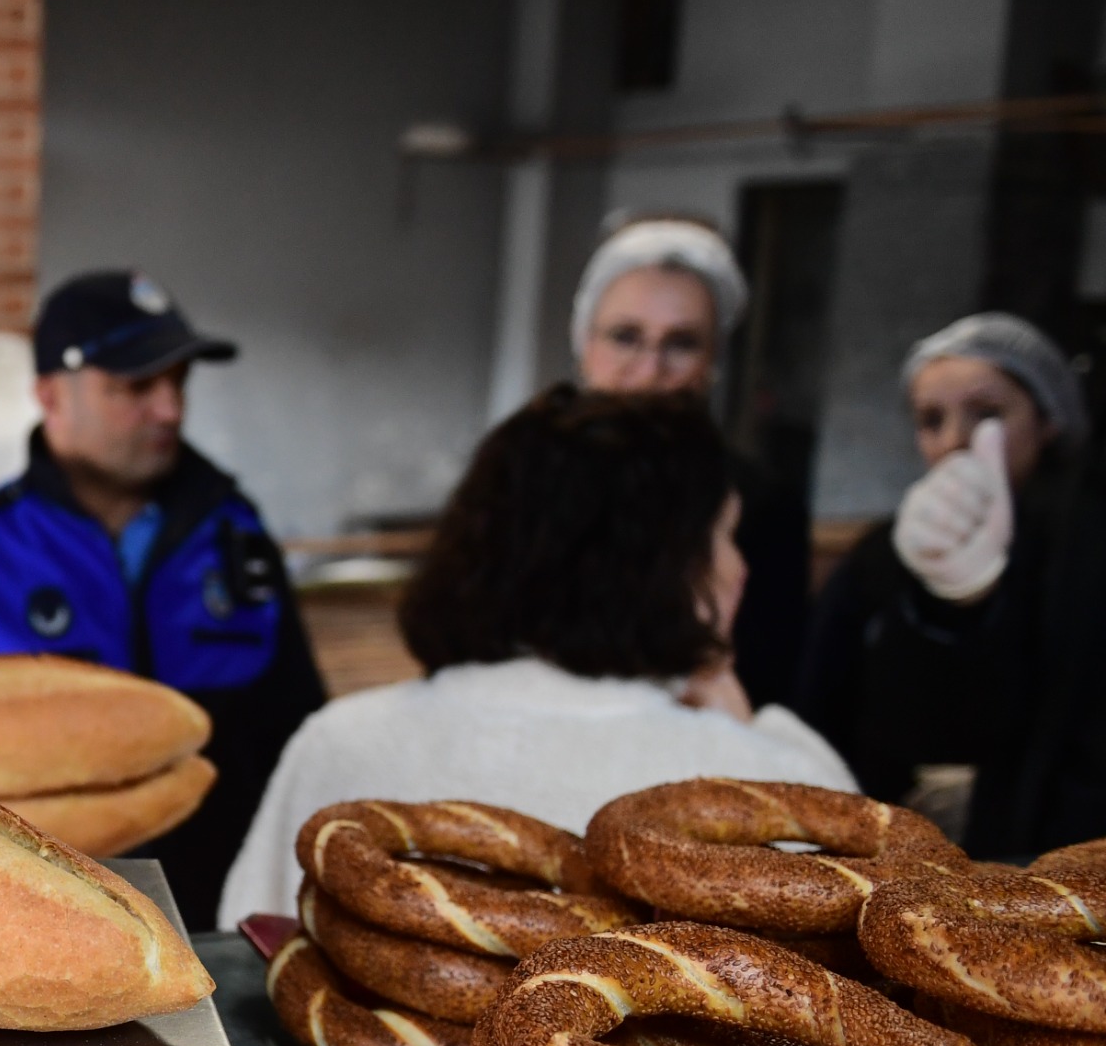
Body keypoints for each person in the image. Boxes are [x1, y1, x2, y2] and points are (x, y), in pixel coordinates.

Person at [218, 386, 854, 923]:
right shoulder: (766, 783)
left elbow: (249, 950)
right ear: (674, 570)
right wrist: (746, 724)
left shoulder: (337, 742)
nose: (739, 567)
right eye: (724, 537)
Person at [0, 270, 326, 934]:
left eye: (178, 382)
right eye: (136, 386)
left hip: (221, 923)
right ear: (49, 395)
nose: (170, 409)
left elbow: (298, 729)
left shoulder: (237, 533)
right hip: (30, 920)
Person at [796, 313, 1103, 855]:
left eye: (987, 415)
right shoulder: (881, 556)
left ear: (1048, 419)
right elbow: (823, 705)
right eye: (931, 420)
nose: (956, 441)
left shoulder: (1083, 554)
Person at [570, 217, 811, 709]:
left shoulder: (760, 501)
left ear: (711, 365)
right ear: (585, 347)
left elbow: (770, 675)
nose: (650, 369)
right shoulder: (520, 485)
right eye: (625, 336)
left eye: (681, 344)